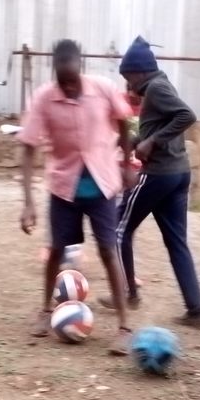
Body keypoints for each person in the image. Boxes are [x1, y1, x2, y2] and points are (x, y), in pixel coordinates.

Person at [17, 39, 136, 355]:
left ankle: (124, 327)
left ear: (80, 67)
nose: (68, 88)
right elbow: (28, 147)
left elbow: (125, 123)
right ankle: (45, 310)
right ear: (54, 71)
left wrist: (127, 164)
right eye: (62, 81)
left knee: (109, 250)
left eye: (72, 81)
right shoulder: (44, 98)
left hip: (101, 186)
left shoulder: (103, 89)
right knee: (56, 249)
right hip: (64, 188)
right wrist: (28, 202)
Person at [104, 35, 200, 328]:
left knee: (117, 228)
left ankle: (128, 294)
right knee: (177, 243)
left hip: (160, 175)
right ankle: (197, 310)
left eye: (128, 78)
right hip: (178, 174)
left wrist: (150, 143)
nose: (128, 86)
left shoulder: (157, 88)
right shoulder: (161, 87)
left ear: (139, 72)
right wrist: (133, 141)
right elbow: (162, 127)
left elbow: (187, 116)